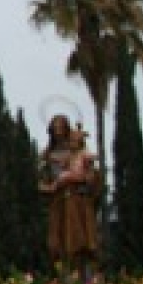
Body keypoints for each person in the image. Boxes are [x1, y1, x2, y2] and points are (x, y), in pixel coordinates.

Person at [39, 115, 100, 275]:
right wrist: (47, 186)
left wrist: (81, 177)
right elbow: (44, 179)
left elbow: (91, 176)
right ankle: (64, 276)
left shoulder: (79, 153)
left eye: (61, 127)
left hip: (77, 201)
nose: (58, 131)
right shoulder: (48, 155)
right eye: (55, 128)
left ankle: (84, 277)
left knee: (79, 240)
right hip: (58, 203)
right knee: (57, 243)